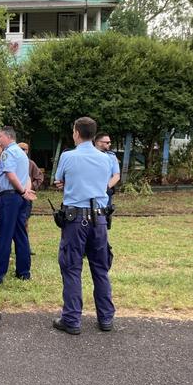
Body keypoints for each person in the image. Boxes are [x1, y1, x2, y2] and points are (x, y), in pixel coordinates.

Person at [53, 117, 115, 335]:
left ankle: (71, 319)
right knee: (100, 268)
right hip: (99, 218)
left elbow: (59, 180)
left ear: (77, 133)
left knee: (71, 268)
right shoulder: (106, 159)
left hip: (75, 219)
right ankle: (106, 318)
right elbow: (102, 182)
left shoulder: (68, 156)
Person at [0, 126, 36, 285]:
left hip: (10, 197)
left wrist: (22, 190)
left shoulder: (8, 153)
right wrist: (24, 191)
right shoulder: (22, 154)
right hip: (19, 198)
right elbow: (25, 176)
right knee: (20, 234)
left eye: (0, 136)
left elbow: (10, 174)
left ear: (8, 137)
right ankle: (23, 272)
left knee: (4, 235)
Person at [18, 142, 44, 255]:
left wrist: (29, 188)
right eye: (21, 149)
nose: (23, 151)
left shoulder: (31, 164)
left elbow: (39, 178)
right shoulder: (11, 163)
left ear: (28, 151)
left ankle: (25, 248)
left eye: (25, 149)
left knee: (25, 222)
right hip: (12, 197)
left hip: (26, 198)